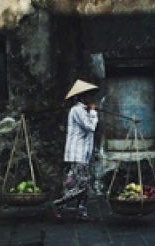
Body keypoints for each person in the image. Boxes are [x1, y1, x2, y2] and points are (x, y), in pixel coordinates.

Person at [51, 80, 99, 223]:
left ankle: (82, 212)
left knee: (85, 184)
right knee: (82, 185)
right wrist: (93, 112)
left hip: (84, 154)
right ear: (82, 96)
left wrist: (90, 111)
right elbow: (90, 127)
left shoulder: (84, 110)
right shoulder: (77, 110)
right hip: (78, 153)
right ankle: (58, 204)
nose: (91, 97)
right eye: (88, 95)